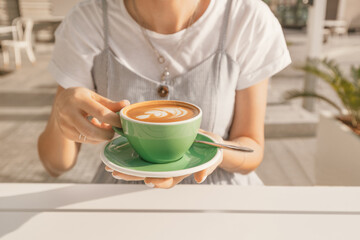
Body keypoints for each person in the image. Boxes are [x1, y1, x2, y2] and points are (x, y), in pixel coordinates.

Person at [38, 0, 291, 188]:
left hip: (219, 198)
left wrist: (217, 151)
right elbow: (56, 164)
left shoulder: (246, 17)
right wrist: (62, 111)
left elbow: (251, 148)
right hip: (120, 202)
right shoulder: (88, 20)